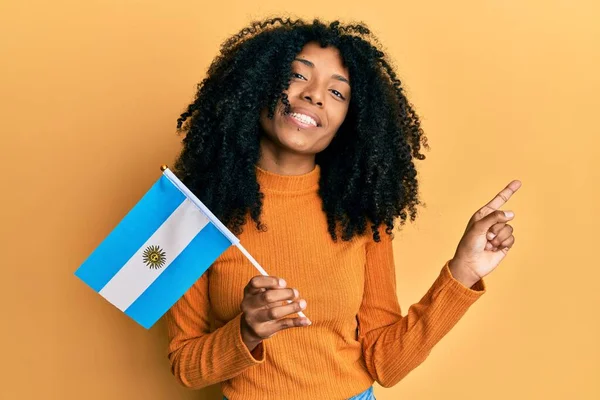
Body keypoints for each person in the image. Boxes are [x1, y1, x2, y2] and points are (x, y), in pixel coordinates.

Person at [164, 17, 520, 400]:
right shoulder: (196, 213)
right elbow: (185, 367)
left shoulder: (359, 215)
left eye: (337, 93)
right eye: (297, 75)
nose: (315, 95)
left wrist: (462, 273)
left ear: (350, 122)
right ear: (257, 85)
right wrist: (247, 329)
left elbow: (386, 363)